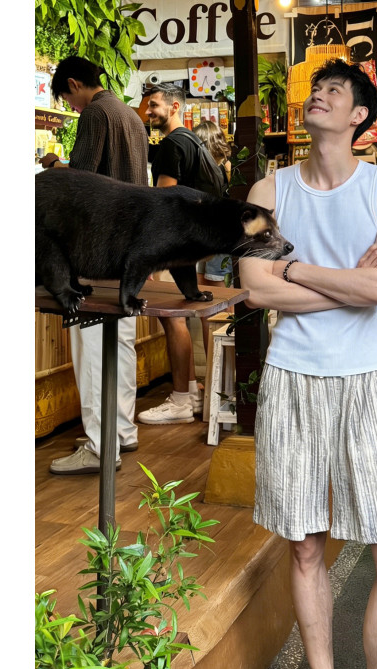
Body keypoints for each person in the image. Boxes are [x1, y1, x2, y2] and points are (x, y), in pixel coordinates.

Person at [239, 59, 377, 669]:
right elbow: (255, 291)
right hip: (292, 377)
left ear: (359, 116)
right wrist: (351, 284)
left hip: (364, 382)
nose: (317, 96)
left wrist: (294, 270)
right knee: (306, 549)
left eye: (332, 91)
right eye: (315, 90)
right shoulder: (267, 192)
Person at [46, 56, 148, 476]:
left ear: (74, 84)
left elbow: (80, 182)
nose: (71, 107)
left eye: (67, 98)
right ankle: (121, 430)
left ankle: (99, 446)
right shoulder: (131, 116)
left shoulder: (95, 114)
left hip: (96, 249)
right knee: (120, 342)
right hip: (129, 252)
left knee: (91, 346)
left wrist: (54, 168)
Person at [135, 83, 205, 425]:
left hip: (173, 242)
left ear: (175, 106)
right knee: (178, 315)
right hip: (192, 240)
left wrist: (147, 254)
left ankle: (179, 401)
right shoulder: (192, 140)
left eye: (154, 106)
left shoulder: (171, 145)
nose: (148, 112)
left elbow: (163, 205)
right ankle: (190, 393)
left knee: (172, 316)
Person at [192, 119, 234, 354]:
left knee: (215, 305)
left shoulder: (213, 172)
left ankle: (216, 364)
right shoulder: (224, 169)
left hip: (210, 240)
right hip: (213, 239)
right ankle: (217, 365)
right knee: (215, 304)